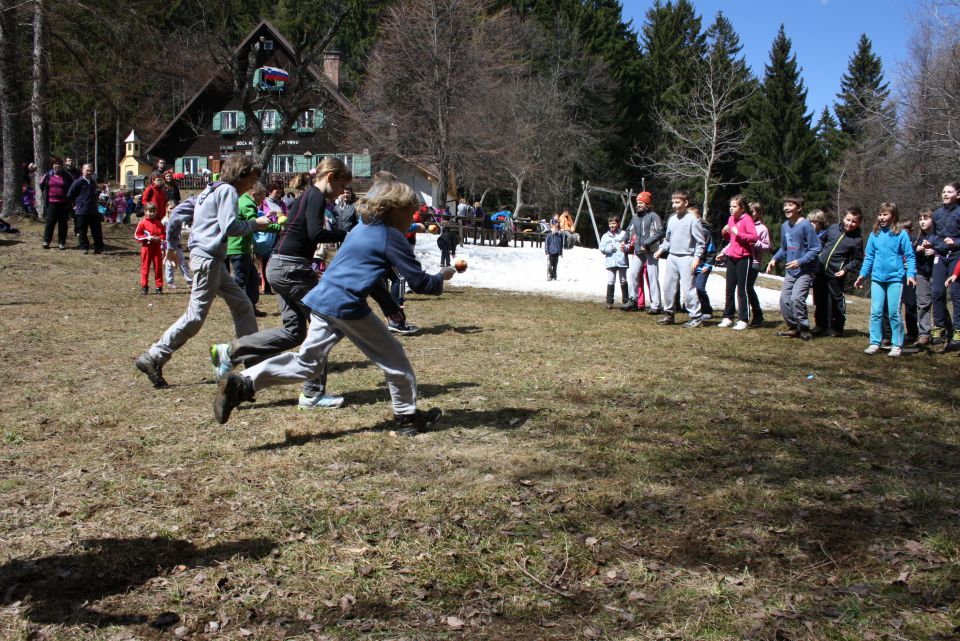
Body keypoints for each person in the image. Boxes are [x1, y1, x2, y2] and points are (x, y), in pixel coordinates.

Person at [213, 178, 456, 435]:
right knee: (394, 357)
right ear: (394, 210)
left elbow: (369, 277)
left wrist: (388, 306)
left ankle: (243, 384)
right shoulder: (390, 236)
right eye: (410, 212)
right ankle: (407, 417)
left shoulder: (362, 228)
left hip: (323, 298)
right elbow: (420, 283)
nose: (412, 218)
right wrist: (442, 276)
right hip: (346, 304)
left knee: (308, 363)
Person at [208, 157, 354, 409]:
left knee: (294, 332)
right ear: (330, 177)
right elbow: (315, 234)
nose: (342, 192)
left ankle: (230, 351)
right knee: (325, 324)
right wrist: (348, 234)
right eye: (341, 185)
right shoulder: (317, 196)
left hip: (278, 265)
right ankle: (312, 393)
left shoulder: (306, 195)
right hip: (292, 268)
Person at [135, 154, 271, 389]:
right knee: (195, 316)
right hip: (208, 260)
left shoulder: (209, 190)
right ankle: (154, 356)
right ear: (241, 174)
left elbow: (177, 213)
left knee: (243, 305)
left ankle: (252, 359)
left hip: (211, 259)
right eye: (251, 179)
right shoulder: (227, 191)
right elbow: (229, 226)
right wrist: (255, 224)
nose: (252, 186)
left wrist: (171, 244)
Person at [855, 202, 916, 357]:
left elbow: (909, 256)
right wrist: (862, 275)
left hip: (895, 278)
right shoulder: (874, 234)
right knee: (875, 311)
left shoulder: (901, 234)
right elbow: (868, 257)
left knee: (894, 313)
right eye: (880, 214)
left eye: (885, 214)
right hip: (877, 279)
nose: (881, 218)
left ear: (893, 216)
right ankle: (875, 342)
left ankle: (897, 344)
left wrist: (910, 275)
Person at [767, 195, 822, 340]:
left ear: (799, 208)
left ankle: (804, 328)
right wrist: (774, 259)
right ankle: (793, 327)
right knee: (784, 300)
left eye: (791, 205)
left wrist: (801, 261)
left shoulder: (805, 226)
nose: (786, 208)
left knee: (797, 298)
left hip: (805, 270)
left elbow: (816, 248)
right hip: (791, 271)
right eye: (785, 205)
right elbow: (784, 248)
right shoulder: (785, 225)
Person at [228, 182, 281, 317]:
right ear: (254, 194)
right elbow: (257, 224)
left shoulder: (242, 200)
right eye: (261, 198)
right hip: (238, 247)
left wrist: (266, 217)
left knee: (252, 278)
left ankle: (250, 306)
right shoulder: (248, 204)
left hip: (239, 246)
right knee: (241, 280)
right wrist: (278, 228)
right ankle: (241, 310)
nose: (262, 201)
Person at [654, 190, 706, 327]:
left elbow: (700, 242)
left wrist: (696, 258)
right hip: (672, 257)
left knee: (688, 288)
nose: (674, 205)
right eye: (673, 202)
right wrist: (661, 249)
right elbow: (668, 239)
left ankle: (695, 317)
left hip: (687, 258)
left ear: (686, 203)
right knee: (668, 287)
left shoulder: (692, 220)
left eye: (677, 202)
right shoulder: (672, 219)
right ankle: (669, 314)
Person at [811, 206, 864, 338]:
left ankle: (837, 328)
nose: (850, 224)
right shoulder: (833, 228)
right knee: (819, 298)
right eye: (848, 220)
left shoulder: (857, 240)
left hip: (836, 273)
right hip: (821, 269)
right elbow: (821, 242)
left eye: (854, 222)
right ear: (843, 218)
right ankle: (820, 325)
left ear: (859, 223)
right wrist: (817, 257)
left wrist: (845, 269)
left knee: (836, 300)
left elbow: (857, 260)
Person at [718, 195, 759, 330]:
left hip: (744, 258)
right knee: (729, 288)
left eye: (734, 206)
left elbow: (754, 237)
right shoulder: (731, 219)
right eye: (730, 206)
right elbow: (731, 238)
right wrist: (724, 232)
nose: (731, 208)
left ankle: (743, 319)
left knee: (742, 289)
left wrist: (739, 233)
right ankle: (728, 317)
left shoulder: (747, 219)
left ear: (742, 208)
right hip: (732, 256)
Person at [930, 182, 960, 351]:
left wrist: (956, 242)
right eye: (943, 191)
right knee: (937, 291)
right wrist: (930, 243)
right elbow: (934, 234)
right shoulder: (937, 213)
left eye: (949, 191)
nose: (945, 194)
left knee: (956, 292)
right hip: (940, 256)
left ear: (958, 195)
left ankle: (958, 330)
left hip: (957, 256)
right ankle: (939, 327)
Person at [622, 191, 663, 313]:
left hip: (651, 251)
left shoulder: (654, 216)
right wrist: (624, 240)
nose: (638, 205)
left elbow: (660, 232)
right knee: (633, 274)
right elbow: (629, 231)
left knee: (652, 277)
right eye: (637, 202)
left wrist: (647, 243)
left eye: (641, 202)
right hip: (638, 251)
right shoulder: (635, 217)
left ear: (647, 204)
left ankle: (656, 305)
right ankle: (632, 300)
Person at [257, 181, 288, 295]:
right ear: (270, 190)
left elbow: (285, 217)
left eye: (280, 189)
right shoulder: (263, 202)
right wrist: (268, 216)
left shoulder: (282, 204)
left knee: (277, 259)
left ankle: (277, 284)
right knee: (265, 260)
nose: (278, 191)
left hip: (279, 234)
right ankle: (266, 287)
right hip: (267, 234)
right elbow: (258, 215)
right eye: (276, 189)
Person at [67, 163, 103, 254]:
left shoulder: (93, 182)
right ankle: (84, 247)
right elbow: (69, 195)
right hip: (81, 210)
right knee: (82, 231)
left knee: (97, 231)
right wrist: (74, 206)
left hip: (93, 210)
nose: (89, 172)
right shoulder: (78, 182)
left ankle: (98, 247)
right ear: (82, 170)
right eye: (87, 170)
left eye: (90, 170)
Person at [913, 208, 937, 346]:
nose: (922, 221)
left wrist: (934, 250)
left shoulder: (938, 235)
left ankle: (944, 330)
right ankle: (924, 334)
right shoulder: (918, 237)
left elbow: (946, 251)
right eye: (920, 219)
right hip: (921, 273)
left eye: (926, 218)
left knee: (938, 302)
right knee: (922, 303)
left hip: (936, 272)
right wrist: (917, 250)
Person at [746, 202, 771, 327]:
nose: (751, 214)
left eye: (753, 212)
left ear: (758, 213)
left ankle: (757, 314)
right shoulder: (743, 224)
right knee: (742, 288)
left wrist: (755, 243)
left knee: (748, 287)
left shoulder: (762, 228)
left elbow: (767, 246)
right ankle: (744, 315)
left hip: (754, 262)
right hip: (741, 261)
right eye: (748, 211)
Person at [40, 158, 72, 250]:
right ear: (52, 165)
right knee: (50, 223)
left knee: (63, 224)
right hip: (51, 203)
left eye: (59, 164)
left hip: (63, 204)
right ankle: (46, 241)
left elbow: (72, 186)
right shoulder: (48, 175)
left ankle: (62, 242)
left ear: (62, 166)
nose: (57, 165)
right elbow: (41, 185)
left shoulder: (66, 175)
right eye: (55, 164)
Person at [690, 207, 716, 320]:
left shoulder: (705, 233)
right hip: (691, 266)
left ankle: (707, 310)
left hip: (703, 266)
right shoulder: (687, 231)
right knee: (691, 289)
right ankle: (694, 309)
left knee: (699, 288)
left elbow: (711, 250)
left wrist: (708, 264)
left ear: (698, 218)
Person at [135, 203, 166, 294]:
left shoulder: (159, 223)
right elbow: (137, 235)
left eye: (154, 211)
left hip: (157, 248)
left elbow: (164, 234)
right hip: (146, 248)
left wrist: (159, 238)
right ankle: (144, 287)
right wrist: (146, 238)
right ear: (145, 212)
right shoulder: (142, 223)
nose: (152, 213)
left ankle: (159, 287)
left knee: (158, 267)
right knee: (145, 267)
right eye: (150, 211)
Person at [599, 216, 629, 308]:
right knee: (611, 280)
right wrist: (610, 249)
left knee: (623, 280)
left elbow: (629, 245)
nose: (612, 225)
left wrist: (625, 248)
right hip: (610, 262)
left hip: (622, 261)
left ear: (618, 223)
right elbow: (602, 248)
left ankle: (626, 301)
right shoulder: (605, 236)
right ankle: (609, 301)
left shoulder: (624, 234)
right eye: (610, 223)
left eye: (614, 223)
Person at [164, 200, 193, 289]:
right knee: (170, 263)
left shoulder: (178, 219)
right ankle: (170, 282)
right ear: (167, 209)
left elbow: (179, 232)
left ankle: (189, 280)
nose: (172, 210)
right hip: (168, 245)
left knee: (183, 263)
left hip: (177, 244)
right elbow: (164, 234)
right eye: (170, 208)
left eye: (174, 208)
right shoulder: (165, 221)